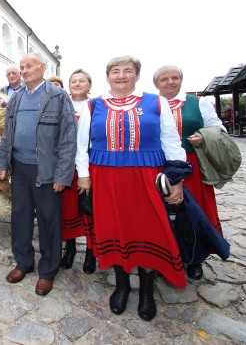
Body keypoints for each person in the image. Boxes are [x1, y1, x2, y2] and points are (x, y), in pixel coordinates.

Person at [76, 56, 187, 321]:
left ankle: (147, 290)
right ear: (108, 76)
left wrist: (179, 178)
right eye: (116, 71)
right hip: (106, 179)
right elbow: (82, 145)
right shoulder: (93, 105)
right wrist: (83, 176)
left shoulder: (156, 102)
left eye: (128, 71)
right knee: (114, 229)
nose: (122, 75)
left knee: (148, 230)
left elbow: (171, 142)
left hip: (146, 179)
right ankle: (122, 284)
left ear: (137, 75)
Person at [0, 53, 77, 297]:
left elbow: (68, 138)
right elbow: (7, 134)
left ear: (43, 68)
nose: (24, 70)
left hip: (47, 170)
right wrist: (2, 161)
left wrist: (63, 176)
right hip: (20, 168)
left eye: (29, 66)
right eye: (22, 67)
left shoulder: (58, 96)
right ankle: (23, 262)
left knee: (49, 220)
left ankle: (47, 271)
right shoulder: (16, 97)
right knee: (19, 217)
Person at [153, 65, 225, 280]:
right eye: (164, 79)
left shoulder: (198, 103)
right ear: (157, 83)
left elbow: (219, 128)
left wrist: (204, 137)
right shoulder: (151, 104)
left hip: (192, 165)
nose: (170, 82)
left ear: (181, 80)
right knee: (163, 213)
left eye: (174, 78)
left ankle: (195, 257)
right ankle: (166, 255)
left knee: (194, 212)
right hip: (160, 165)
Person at [60, 69, 97, 274]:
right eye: (73, 80)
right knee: (68, 210)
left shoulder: (95, 106)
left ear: (89, 86)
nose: (77, 83)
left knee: (88, 210)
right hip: (67, 167)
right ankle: (70, 248)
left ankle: (92, 251)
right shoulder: (62, 105)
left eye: (82, 80)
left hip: (89, 167)